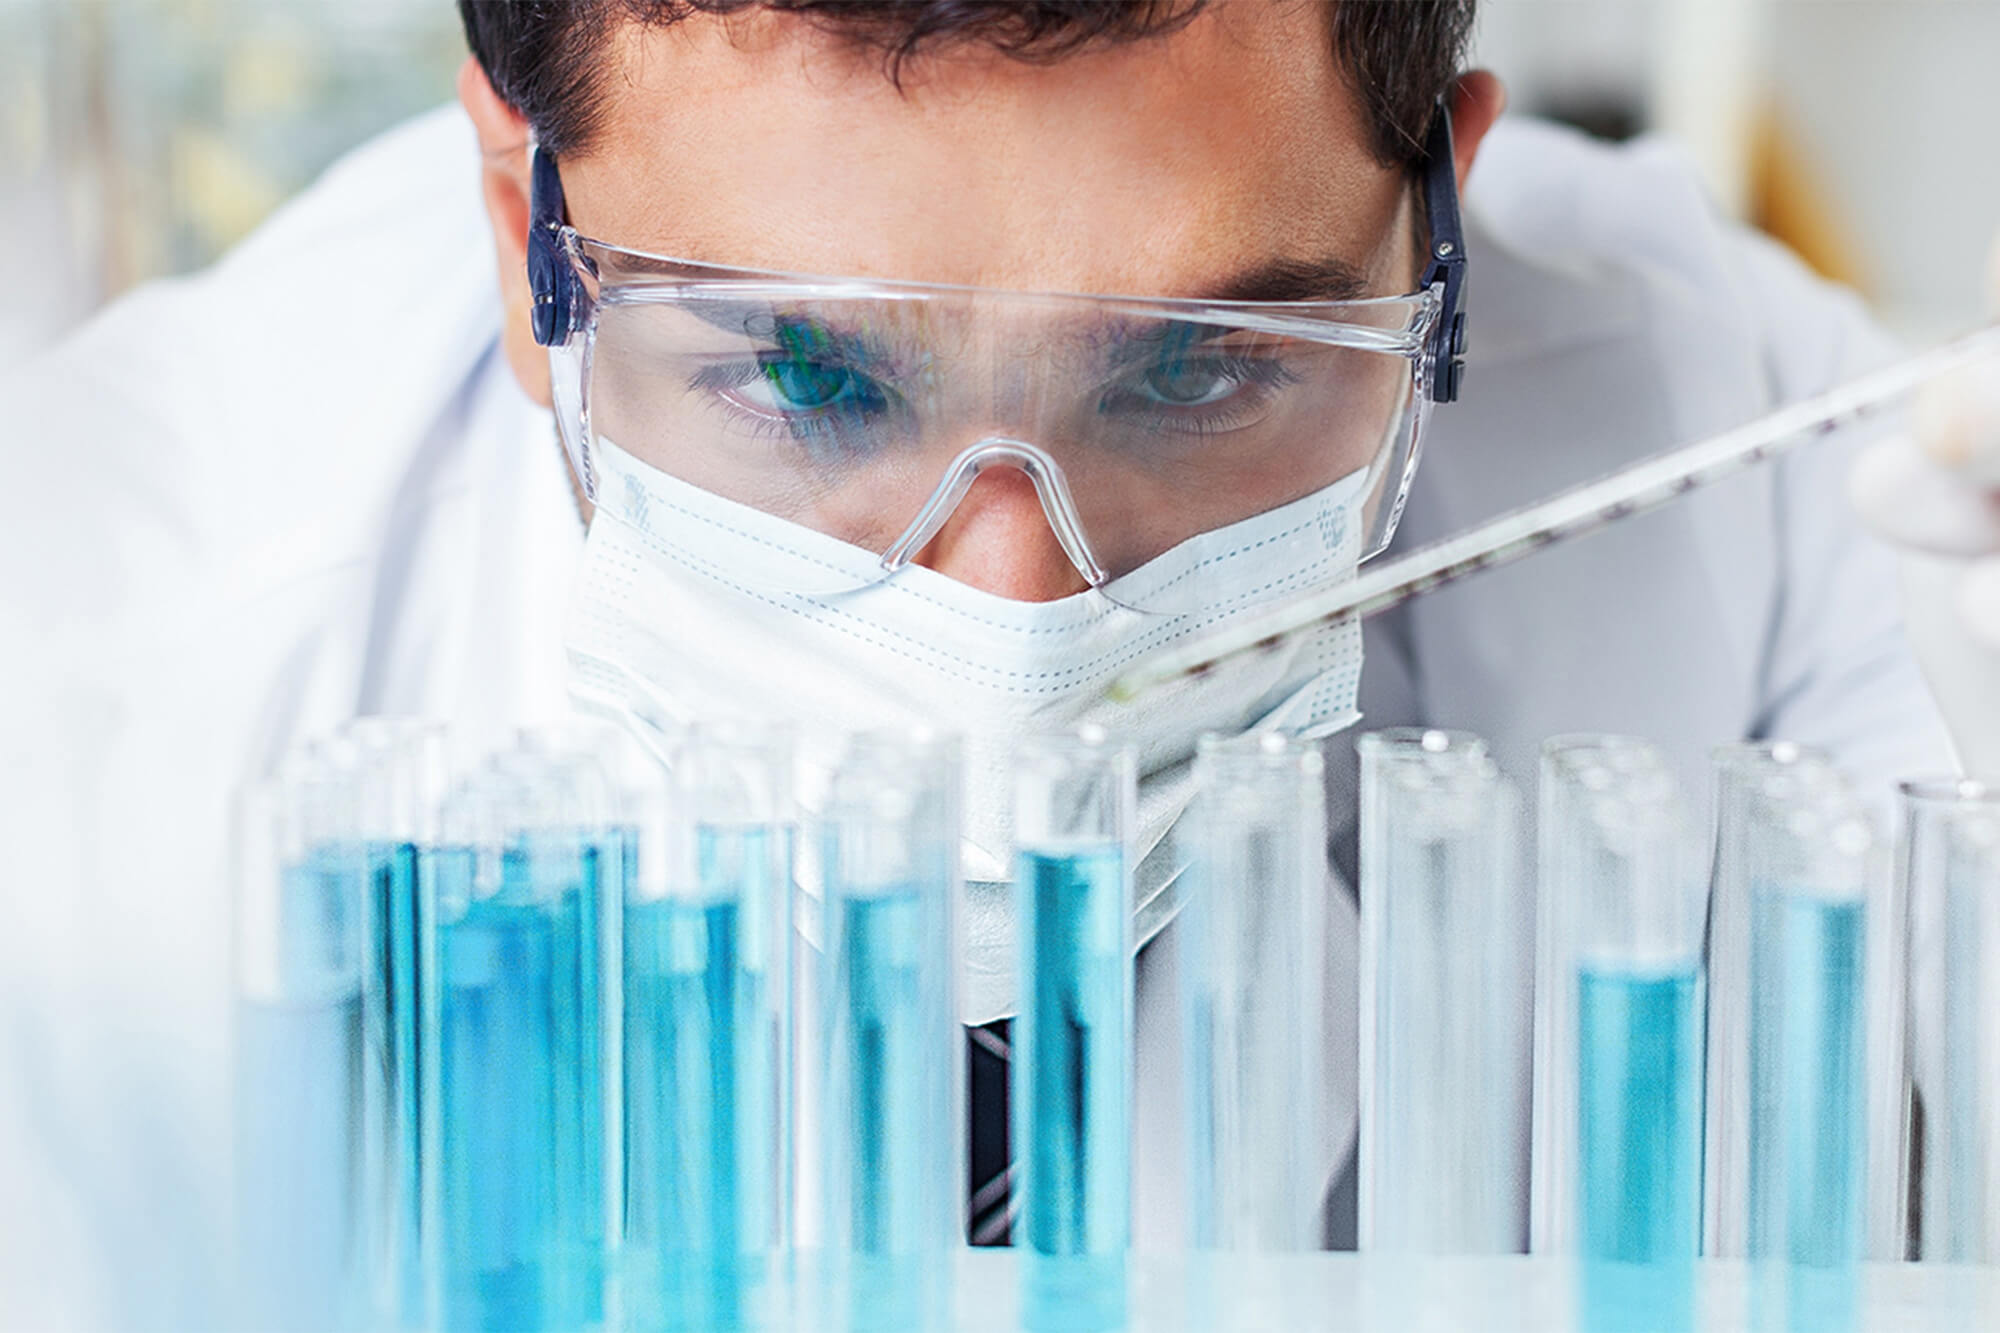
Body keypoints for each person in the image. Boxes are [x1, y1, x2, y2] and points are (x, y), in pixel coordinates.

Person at [0, 0, 1985, 1323]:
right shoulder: (107, 699)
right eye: (804, 373)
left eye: (1205, 367)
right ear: (527, 223)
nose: (1021, 615)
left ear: (1436, 222)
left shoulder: (1790, 477)